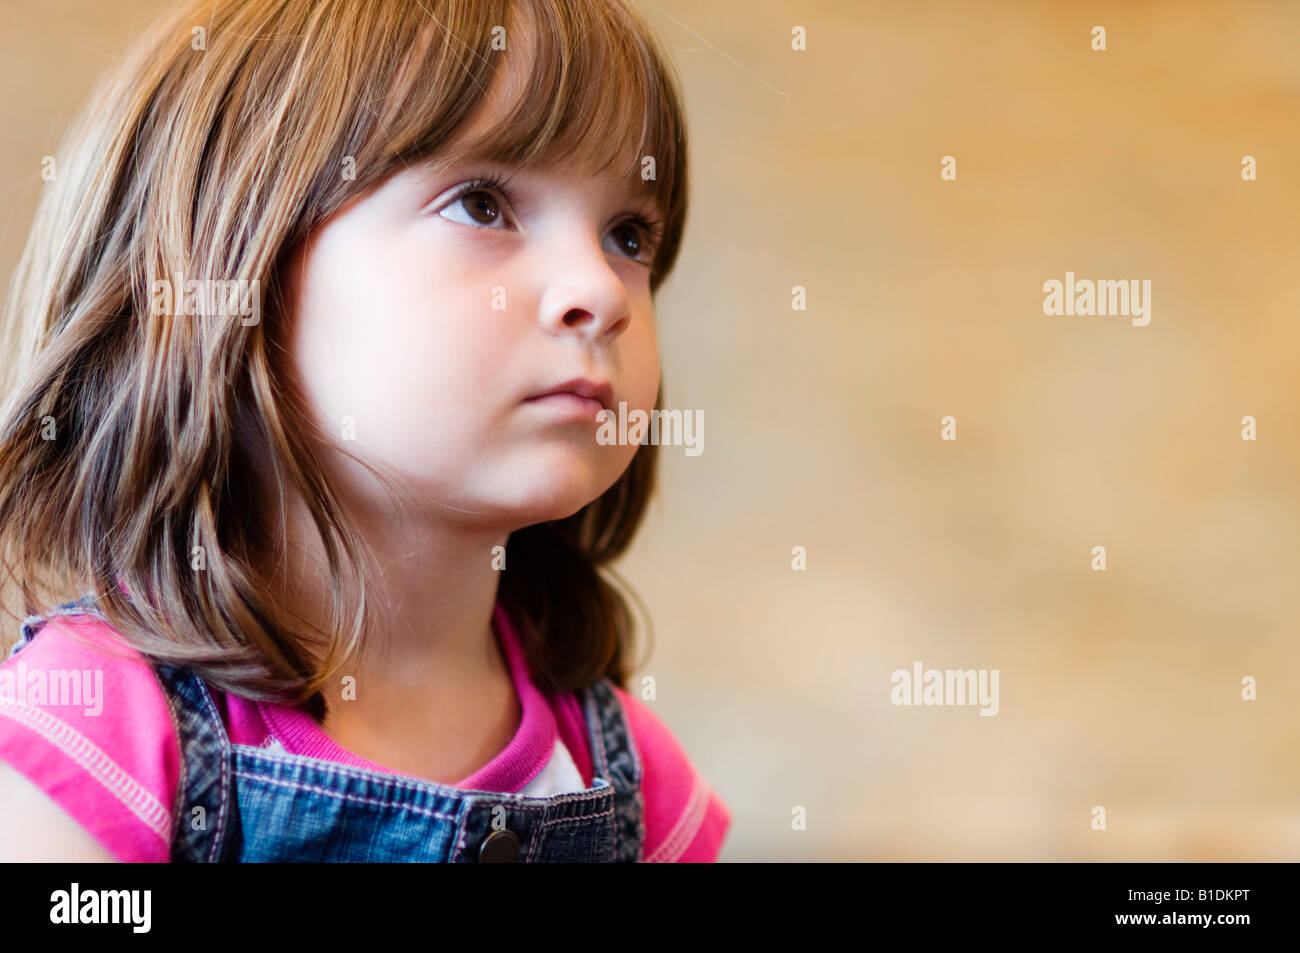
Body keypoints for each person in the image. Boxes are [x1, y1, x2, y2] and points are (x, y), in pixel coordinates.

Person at [0, 0, 730, 862]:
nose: (601, 291)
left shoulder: (636, 782)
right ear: (235, 268)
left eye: (628, 235)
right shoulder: (93, 728)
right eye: (483, 204)